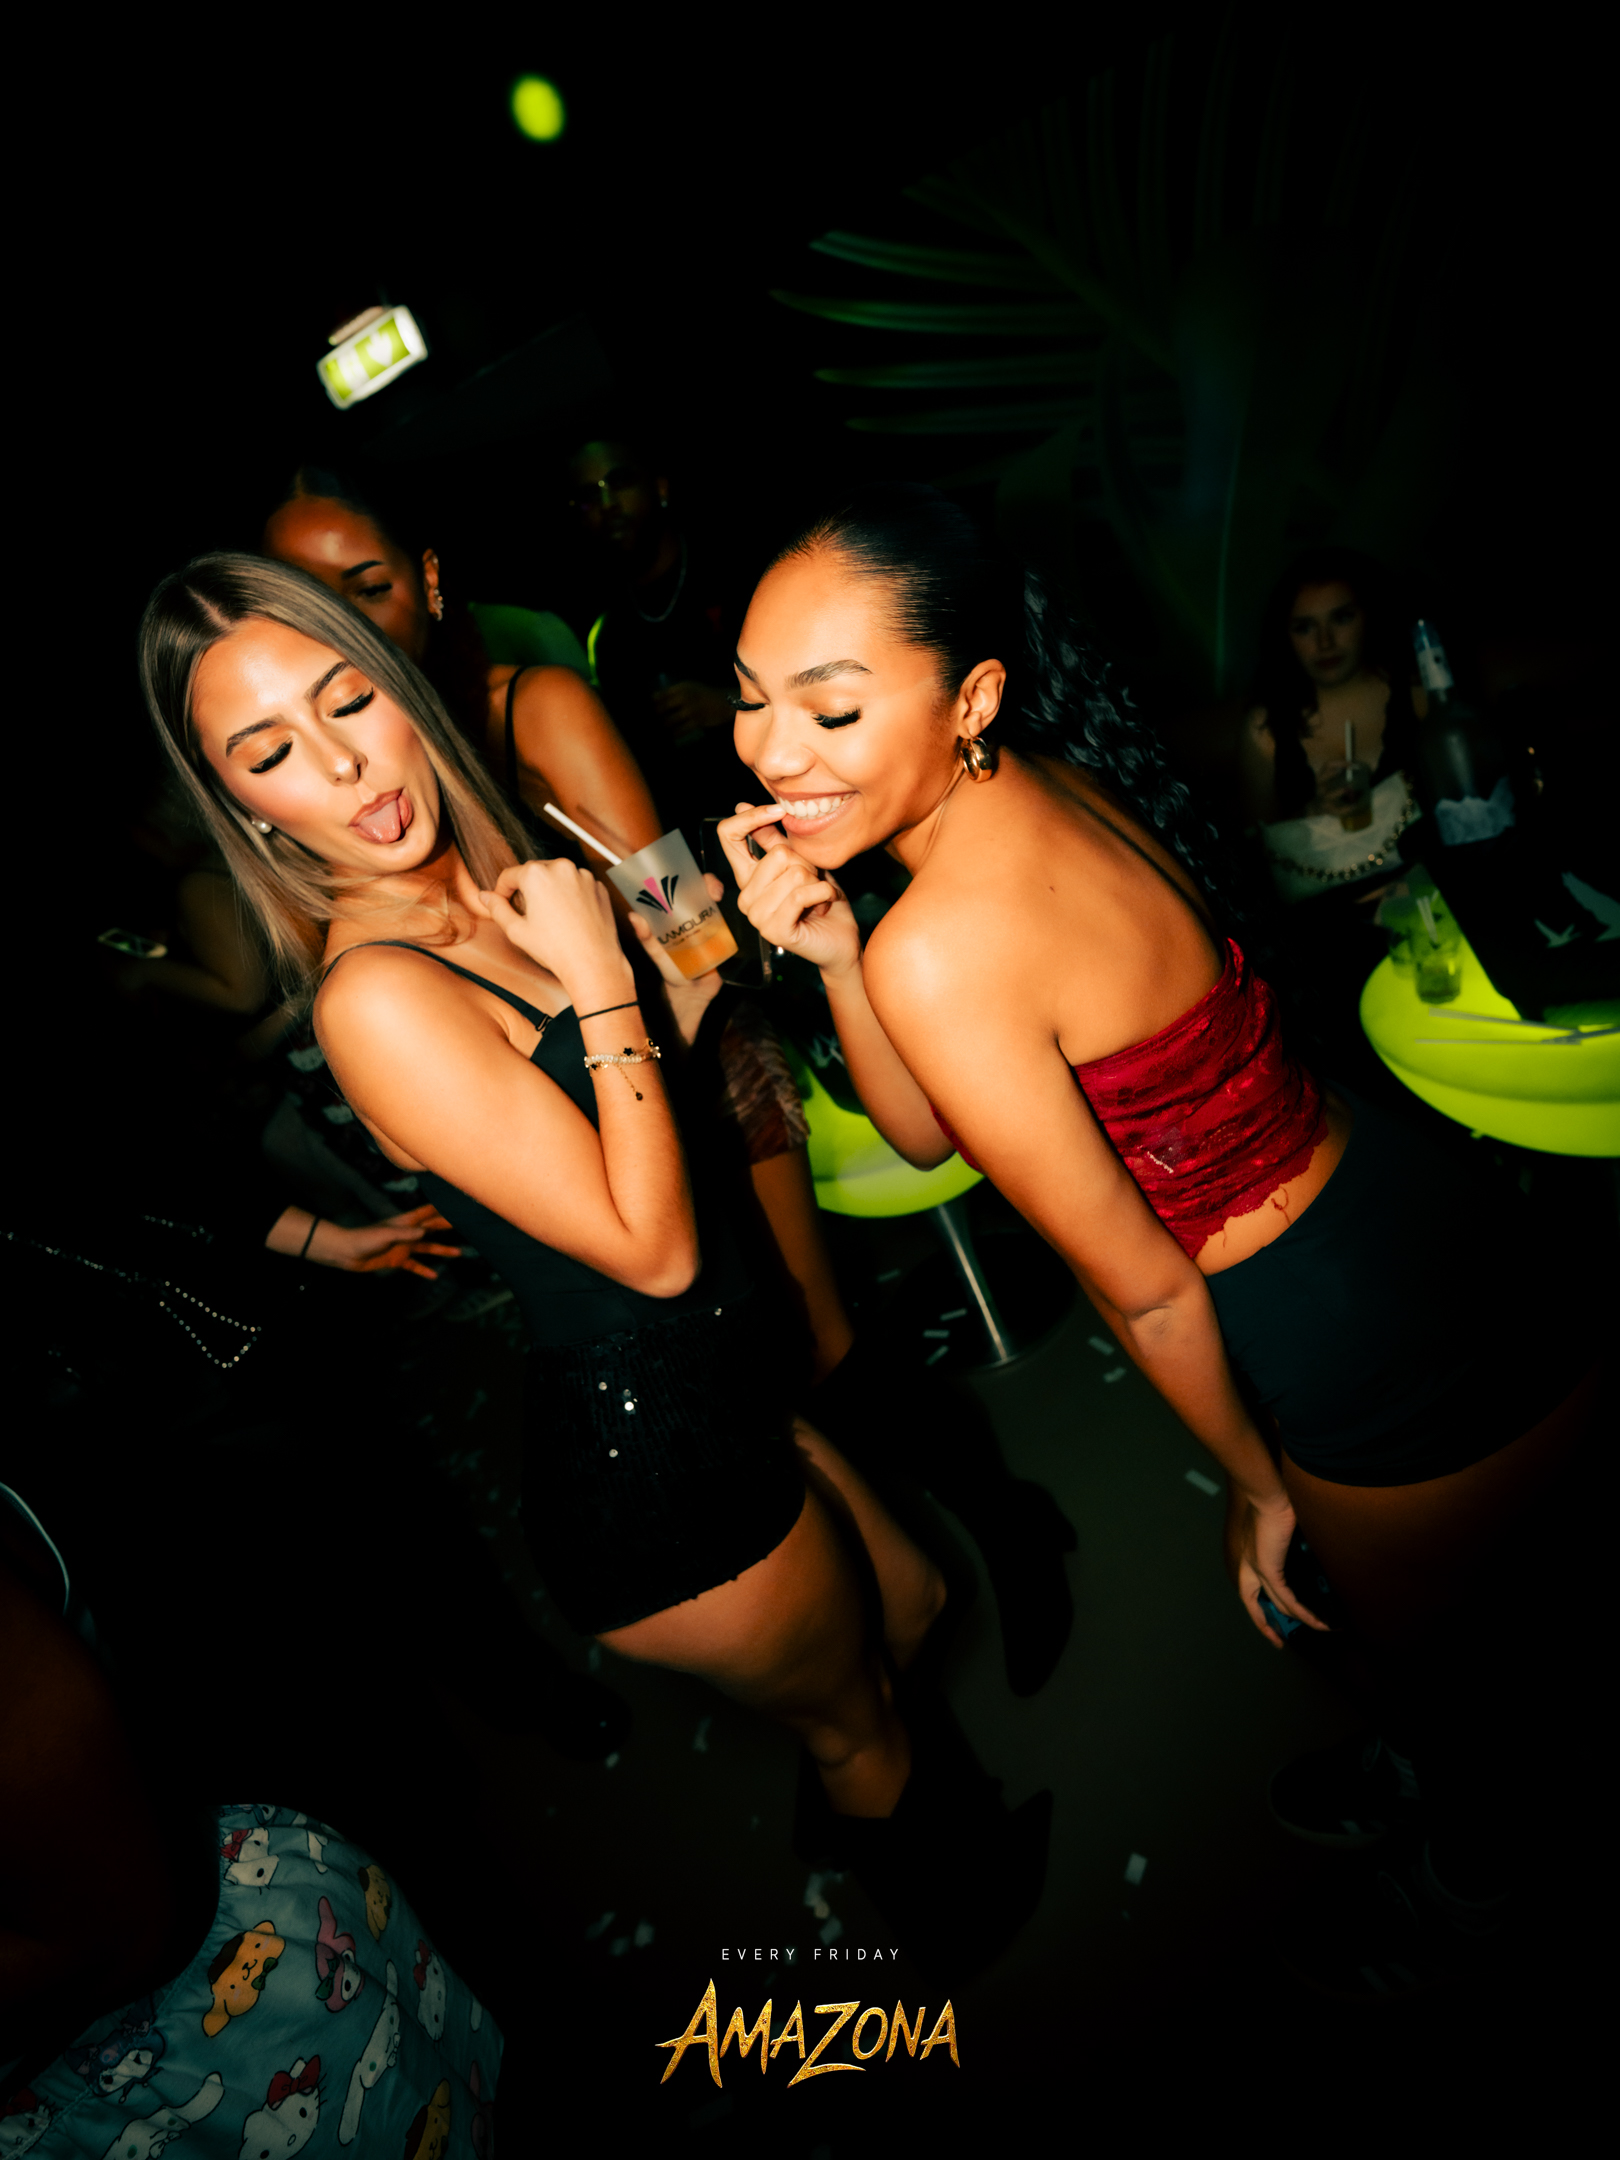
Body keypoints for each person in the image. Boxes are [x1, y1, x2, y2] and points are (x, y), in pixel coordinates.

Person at [718, 485, 1602, 1993]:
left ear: (970, 698)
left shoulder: (947, 941)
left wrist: (1258, 1489)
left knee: (1419, 1657)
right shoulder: (1041, 787)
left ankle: (1478, 1868)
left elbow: (1145, 1293)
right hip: (1395, 1193)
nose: (771, 752)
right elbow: (933, 1131)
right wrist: (839, 958)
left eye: (833, 709)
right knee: (1471, 1628)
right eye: (750, 700)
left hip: (1329, 1324)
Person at [136, 552, 1047, 1970]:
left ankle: (861, 1803)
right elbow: (654, 1246)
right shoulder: (374, 993)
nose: (344, 762)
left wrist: (710, 962)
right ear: (240, 799)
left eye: (347, 699)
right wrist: (608, 976)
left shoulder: (488, 869)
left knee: (917, 1603)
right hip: (648, 1460)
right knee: (861, 1713)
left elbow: (636, 1071)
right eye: (271, 751)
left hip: (715, 1383)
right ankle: (957, 1919)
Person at [263, 465, 661, 862]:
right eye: (308, 610)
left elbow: (667, 894)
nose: (345, 630)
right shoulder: (313, 777)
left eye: (371, 590)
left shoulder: (538, 707)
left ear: (428, 580)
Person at [565, 435, 756, 838]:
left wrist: (728, 703)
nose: (607, 504)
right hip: (696, 839)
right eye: (589, 496)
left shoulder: (738, 573)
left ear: (660, 488)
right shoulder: (608, 636)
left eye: (620, 483)